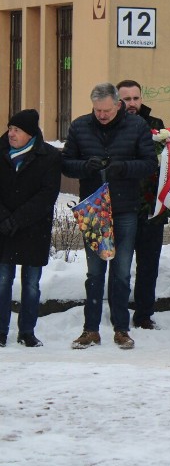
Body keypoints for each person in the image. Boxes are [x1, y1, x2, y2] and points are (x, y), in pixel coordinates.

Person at [62, 83, 157, 350]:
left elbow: (150, 162)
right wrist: (85, 166)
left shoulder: (136, 126)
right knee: (94, 272)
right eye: (97, 110)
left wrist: (123, 167)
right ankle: (90, 329)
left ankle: (121, 329)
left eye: (106, 110)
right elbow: (67, 162)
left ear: (118, 105)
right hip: (93, 208)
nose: (102, 115)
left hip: (125, 207)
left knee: (122, 272)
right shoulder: (81, 126)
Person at [0, 110, 61, 348]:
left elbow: (47, 195)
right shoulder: (1, 151)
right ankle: (1, 331)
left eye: (17, 130)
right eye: (10, 128)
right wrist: (4, 218)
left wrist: (18, 219)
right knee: (3, 281)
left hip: (33, 228)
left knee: (32, 284)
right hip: (3, 229)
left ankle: (27, 331)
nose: (11, 134)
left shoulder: (49, 157)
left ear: (30, 134)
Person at [116, 79, 167, 330]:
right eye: (127, 99)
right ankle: (118, 312)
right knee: (120, 264)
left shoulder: (156, 125)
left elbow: (166, 165)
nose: (132, 104)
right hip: (120, 206)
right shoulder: (109, 126)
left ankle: (144, 314)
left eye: (136, 98)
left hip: (151, 207)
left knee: (149, 265)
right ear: (117, 100)